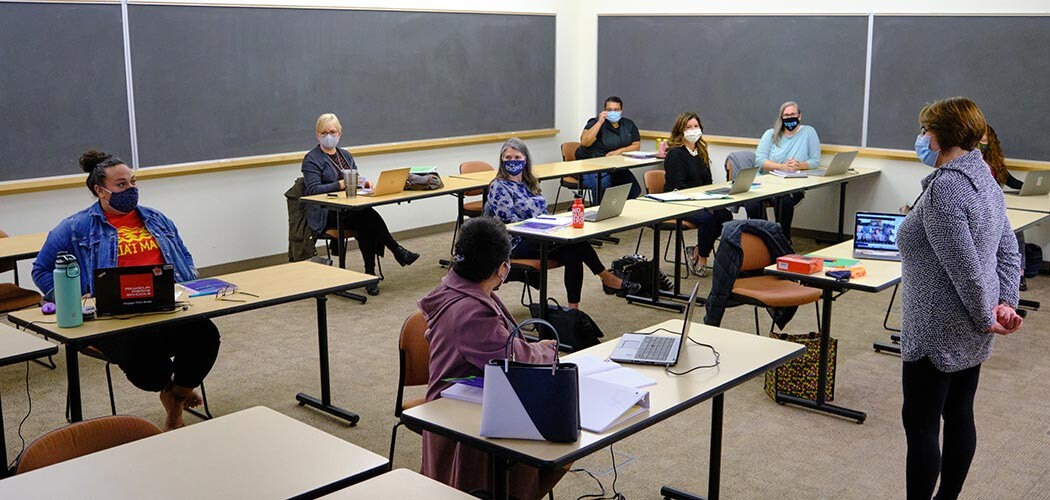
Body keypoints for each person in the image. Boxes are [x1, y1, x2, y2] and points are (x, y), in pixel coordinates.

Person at [32, 150, 221, 431]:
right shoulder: (74, 227)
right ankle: (169, 390)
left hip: (163, 307)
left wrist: (185, 285)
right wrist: (74, 298)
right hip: (113, 319)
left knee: (205, 336)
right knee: (145, 360)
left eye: (133, 182)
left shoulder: (156, 219)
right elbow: (41, 270)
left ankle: (176, 397)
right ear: (100, 190)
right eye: (121, 185)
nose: (130, 189)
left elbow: (184, 256)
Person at [898, 97, 1023, 500]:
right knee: (959, 413)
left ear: (937, 137)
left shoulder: (946, 189)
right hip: (973, 324)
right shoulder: (984, 178)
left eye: (924, 131)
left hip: (937, 329)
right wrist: (1004, 304)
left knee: (920, 425)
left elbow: (965, 267)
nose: (920, 138)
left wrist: (988, 312)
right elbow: (1007, 251)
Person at [418, 217, 564, 499]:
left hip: (469, 397)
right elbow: (512, 356)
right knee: (557, 444)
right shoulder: (471, 313)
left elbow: (503, 347)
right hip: (457, 419)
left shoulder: (461, 288)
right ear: (502, 268)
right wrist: (547, 350)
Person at [484, 138, 639, 308]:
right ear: (501, 160)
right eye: (508, 158)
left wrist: (553, 224)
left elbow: (542, 213)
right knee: (573, 244)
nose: (512, 161)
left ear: (525, 159)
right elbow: (508, 222)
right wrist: (542, 226)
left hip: (540, 235)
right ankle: (606, 277)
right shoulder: (499, 186)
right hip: (516, 242)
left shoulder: (529, 184)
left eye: (517, 157)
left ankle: (574, 309)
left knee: (573, 249)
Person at [301, 113, 418, 296]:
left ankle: (371, 274)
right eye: (324, 132)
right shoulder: (312, 159)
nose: (329, 136)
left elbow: (354, 178)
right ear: (317, 135)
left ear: (339, 133)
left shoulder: (345, 155)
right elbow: (313, 190)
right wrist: (339, 184)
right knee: (366, 217)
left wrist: (364, 183)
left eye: (332, 131)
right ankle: (392, 253)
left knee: (365, 220)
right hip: (326, 212)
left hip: (349, 208)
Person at [663, 112, 733, 277]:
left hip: (702, 200)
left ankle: (696, 250)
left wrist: (712, 197)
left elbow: (708, 180)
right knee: (707, 219)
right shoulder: (675, 154)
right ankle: (702, 257)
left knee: (725, 216)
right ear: (681, 131)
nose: (693, 130)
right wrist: (700, 201)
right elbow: (678, 186)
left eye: (696, 126)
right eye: (688, 127)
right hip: (679, 201)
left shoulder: (701, 150)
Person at [746, 101, 821, 242]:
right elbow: (760, 161)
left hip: (791, 184)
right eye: (785, 115)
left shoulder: (808, 132)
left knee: (783, 200)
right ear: (781, 117)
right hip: (766, 181)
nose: (789, 118)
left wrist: (798, 166)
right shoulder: (771, 134)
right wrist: (782, 167)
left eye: (792, 114)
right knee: (752, 202)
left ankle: (783, 240)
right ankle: (764, 238)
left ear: (799, 116)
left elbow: (815, 161)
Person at [980, 125, 1029, 291]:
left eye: (985, 136)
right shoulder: (972, 161)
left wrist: (1029, 187)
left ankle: (1019, 274)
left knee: (1017, 232)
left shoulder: (994, 162)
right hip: (981, 210)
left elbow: (1011, 181)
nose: (982, 140)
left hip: (995, 207)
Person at [575, 96, 643, 202]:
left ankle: (620, 212)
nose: (613, 112)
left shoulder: (628, 124)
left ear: (621, 111)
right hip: (592, 166)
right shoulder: (595, 122)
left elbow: (636, 146)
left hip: (615, 166)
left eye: (616, 110)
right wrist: (600, 122)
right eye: (609, 110)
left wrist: (618, 152)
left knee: (633, 188)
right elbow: (585, 142)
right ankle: (598, 212)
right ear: (604, 111)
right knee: (603, 185)